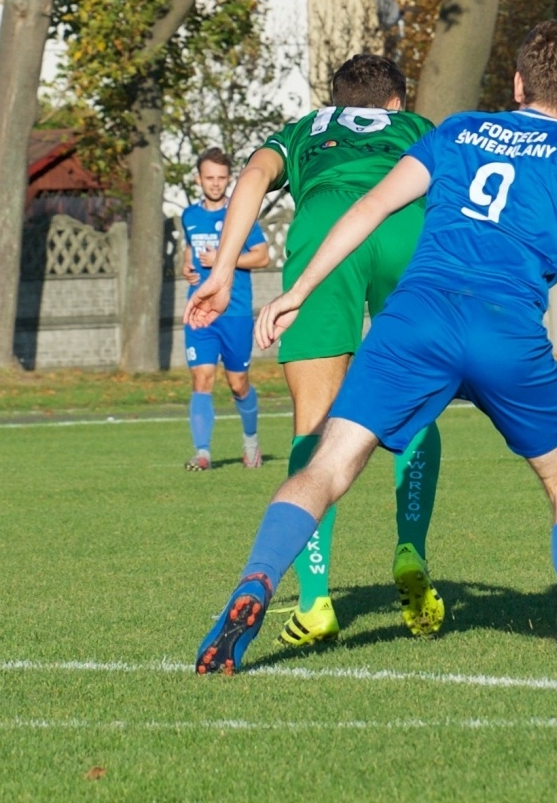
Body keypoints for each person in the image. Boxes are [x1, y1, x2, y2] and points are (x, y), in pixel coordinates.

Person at [193, 19, 557, 675]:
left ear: (517, 82)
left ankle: (255, 585)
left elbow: (370, 207)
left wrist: (298, 290)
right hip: (506, 330)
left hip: (415, 321)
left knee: (326, 466)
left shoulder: (457, 131)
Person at [185, 54, 446, 645]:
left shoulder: (306, 128)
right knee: (415, 407)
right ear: (396, 103)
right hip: (404, 224)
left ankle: (316, 600)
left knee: (315, 422)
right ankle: (410, 550)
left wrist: (223, 270)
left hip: (327, 226)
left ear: (335, 102)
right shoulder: (418, 129)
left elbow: (250, 178)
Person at [179, 148, 270, 470]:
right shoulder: (189, 216)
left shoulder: (239, 214)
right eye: (209, 178)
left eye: (221, 178)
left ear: (229, 179)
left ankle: (251, 443)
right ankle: (202, 454)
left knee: (237, 384)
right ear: (198, 179)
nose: (215, 184)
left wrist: (223, 259)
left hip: (234, 312)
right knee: (202, 379)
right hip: (200, 312)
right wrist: (186, 267)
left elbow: (262, 256)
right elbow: (189, 250)